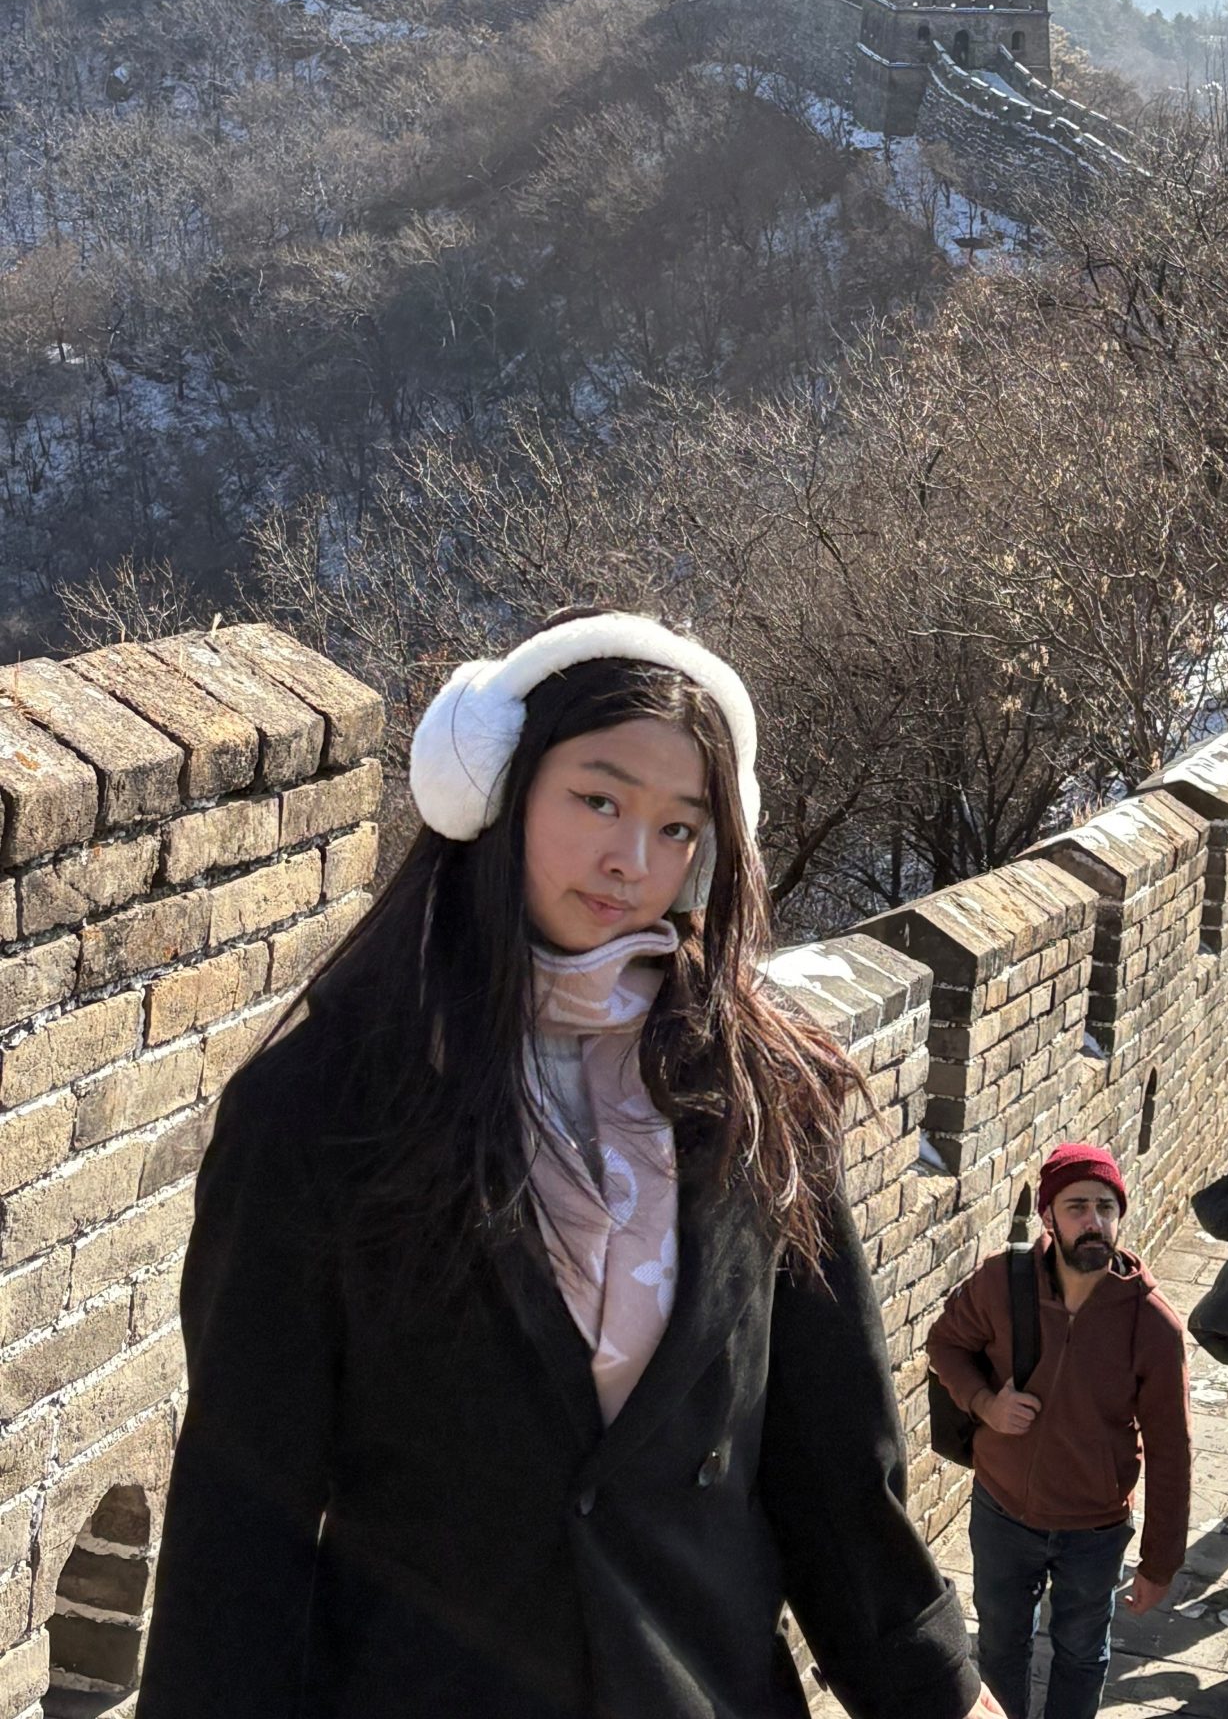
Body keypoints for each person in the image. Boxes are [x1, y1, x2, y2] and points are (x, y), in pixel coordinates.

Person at [137, 611, 989, 1719]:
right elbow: (241, 1521)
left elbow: (830, 1468)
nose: (633, 861)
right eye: (599, 799)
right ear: (497, 787)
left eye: (679, 827)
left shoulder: (753, 1089)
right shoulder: (324, 1107)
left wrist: (943, 1696)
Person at [929, 1145, 1191, 1719]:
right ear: (1048, 1216)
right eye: (1077, 1207)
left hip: (1093, 1528)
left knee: (1080, 1654)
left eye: (1105, 1207)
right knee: (998, 1648)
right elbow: (945, 1343)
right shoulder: (1004, 1282)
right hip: (1002, 1510)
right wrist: (985, 1404)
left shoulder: (1152, 1324)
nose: (1094, 1221)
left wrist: (1160, 1562)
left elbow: (1172, 1452)